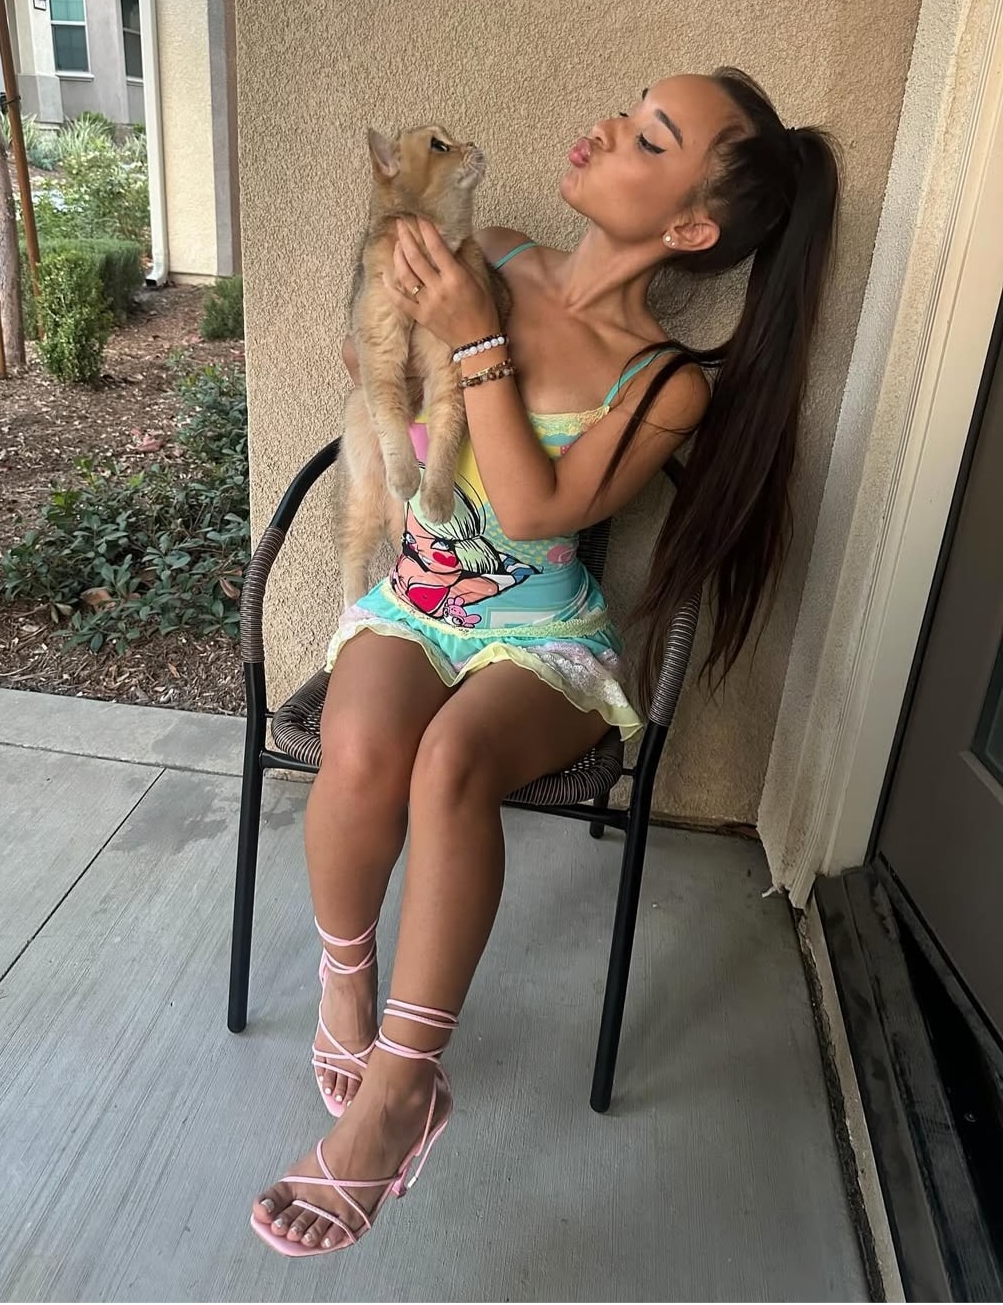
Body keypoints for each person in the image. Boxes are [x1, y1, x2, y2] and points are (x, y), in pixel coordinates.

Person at [251, 69, 841, 1256]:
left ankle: (402, 1086)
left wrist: (477, 338)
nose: (609, 128)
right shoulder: (491, 255)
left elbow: (529, 512)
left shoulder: (663, 381)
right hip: (420, 596)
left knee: (452, 761)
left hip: (541, 634)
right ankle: (347, 979)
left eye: (651, 138)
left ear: (691, 229)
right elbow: (372, 376)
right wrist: (390, 298)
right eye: (631, 108)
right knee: (359, 744)